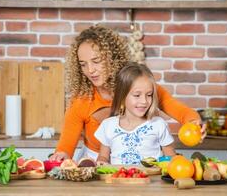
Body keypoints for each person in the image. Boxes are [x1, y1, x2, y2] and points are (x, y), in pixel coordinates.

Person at [49, 25, 205, 162]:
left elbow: (181, 111)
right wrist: (61, 155)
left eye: (96, 61)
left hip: (141, 165)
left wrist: (193, 123)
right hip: (96, 164)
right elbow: (65, 147)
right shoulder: (81, 101)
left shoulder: (139, 87)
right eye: (83, 64)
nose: (90, 70)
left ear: (113, 58)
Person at [95, 63, 176, 165]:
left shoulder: (158, 125)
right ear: (122, 96)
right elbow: (103, 156)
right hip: (118, 180)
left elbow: (171, 157)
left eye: (149, 95)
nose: (144, 101)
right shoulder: (108, 125)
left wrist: (168, 163)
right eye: (137, 95)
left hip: (151, 180)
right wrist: (101, 161)